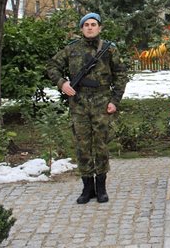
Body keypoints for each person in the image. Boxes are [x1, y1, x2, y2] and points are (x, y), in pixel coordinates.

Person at [47, 13, 127, 203]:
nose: (90, 28)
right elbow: (52, 66)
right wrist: (62, 83)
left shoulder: (109, 50)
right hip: (79, 102)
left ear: (99, 28)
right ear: (81, 28)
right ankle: (87, 188)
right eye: (86, 25)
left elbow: (121, 75)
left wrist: (114, 100)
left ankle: (101, 188)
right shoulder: (71, 49)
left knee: (100, 144)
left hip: (101, 100)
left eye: (93, 24)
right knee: (82, 145)